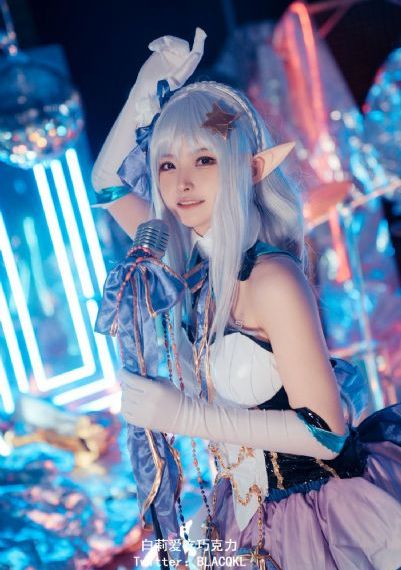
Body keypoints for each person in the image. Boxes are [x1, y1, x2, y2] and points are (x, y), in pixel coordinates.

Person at [92, 29, 401, 569]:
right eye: (167, 165)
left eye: (204, 160)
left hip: (321, 515)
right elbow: (108, 185)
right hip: (244, 515)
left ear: (247, 168)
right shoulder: (189, 267)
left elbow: (326, 433)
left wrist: (186, 415)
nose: (182, 183)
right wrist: (148, 84)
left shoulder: (273, 279)